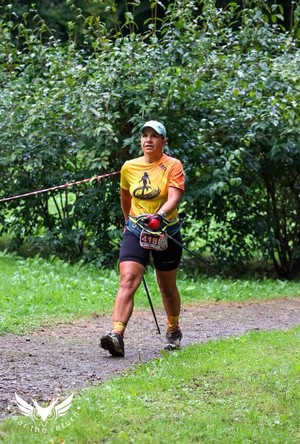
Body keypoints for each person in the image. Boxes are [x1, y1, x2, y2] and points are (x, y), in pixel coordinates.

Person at [100, 120, 185, 357]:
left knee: (166, 287)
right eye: (144, 136)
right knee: (128, 279)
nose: (148, 140)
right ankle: (116, 335)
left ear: (163, 142)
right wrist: (128, 222)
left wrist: (159, 216)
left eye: (154, 136)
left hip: (166, 230)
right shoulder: (129, 167)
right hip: (137, 230)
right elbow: (125, 197)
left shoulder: (172, 165)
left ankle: (173, 330)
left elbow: (174, 197)